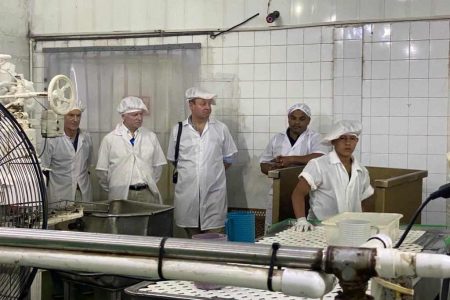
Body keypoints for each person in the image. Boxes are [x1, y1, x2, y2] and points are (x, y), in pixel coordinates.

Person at [167, 87, 238, 238]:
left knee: (215, 240)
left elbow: (229, 158)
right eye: (203, 103)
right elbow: (174, 160)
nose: (208, 107)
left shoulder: (220, 128)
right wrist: (193, 174)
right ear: (191, 105)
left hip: (214, 196)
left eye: (209, 104)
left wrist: (210, 172)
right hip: (188, 196)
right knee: (191, 241)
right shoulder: (178, 130)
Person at [291, 120, 374, 231]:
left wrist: (364, 222)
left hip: (352, 229)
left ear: (357, 141)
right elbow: (298, 194)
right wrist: (301, 220)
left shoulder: (362, 171)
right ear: (333, 141)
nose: (348, 143)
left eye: (352, 139)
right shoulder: (318, 165)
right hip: (321, 228)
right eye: (342, 138)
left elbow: (365, 199)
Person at [259, 103, 328, 231]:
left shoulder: (315, 138)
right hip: (277, 191)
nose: (297, 122)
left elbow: (321, 157)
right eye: (293, 118)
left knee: (302, 230)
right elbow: (263, 163)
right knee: (273, 229)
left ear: (308, 121)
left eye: (302, 119)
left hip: (306, 193)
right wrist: (272, 167)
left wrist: (290, 160)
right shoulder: (277, 138)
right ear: (288, 119)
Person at [96, 96, 166, 203]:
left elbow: (158, 167)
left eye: (141, 114)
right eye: (135, 115)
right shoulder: (110, 139)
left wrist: (148, 182)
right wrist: (116, 187)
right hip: (120, 194)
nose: (139, 118)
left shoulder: (151, 137)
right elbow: (102, 172)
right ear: (123, 116)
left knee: (147, 219)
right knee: (123, 220)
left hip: (147, 192)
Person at [41, 101, 93, 209]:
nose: (75, 119)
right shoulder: (51, 139)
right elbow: (44, 168)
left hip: (82, 193)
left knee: (83, 223)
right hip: (60, 194)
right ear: (62, 116)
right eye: (71, 115)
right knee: (62, 224)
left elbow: (88, 163)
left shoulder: (86, 137)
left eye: (78, 116)